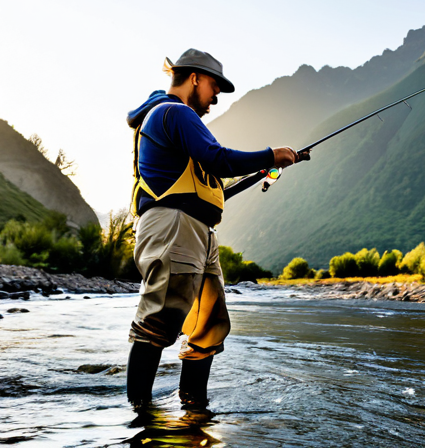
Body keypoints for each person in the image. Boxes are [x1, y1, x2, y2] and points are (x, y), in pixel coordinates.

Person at [125, 48, 306, 410]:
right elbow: (219, 159)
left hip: (197, 231)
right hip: (173, 226)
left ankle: (194, 409)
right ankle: (139, 418)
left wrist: (264, 169)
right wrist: (272, 155)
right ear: (193, 78)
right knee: (160, 319)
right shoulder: (174, 113)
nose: (217, 96)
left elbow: (212, 182)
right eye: (214, 85)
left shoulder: (178, 119)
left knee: (208, 326)